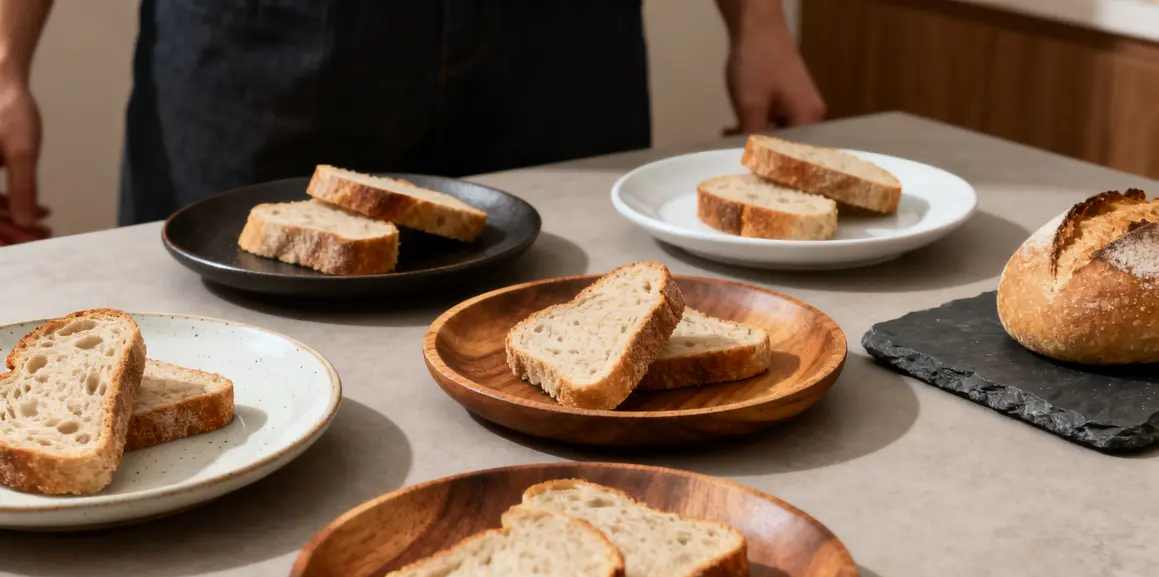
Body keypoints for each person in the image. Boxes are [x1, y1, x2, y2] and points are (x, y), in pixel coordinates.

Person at [0, 0, 824, 244]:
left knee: (573, 355)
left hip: (562, 46)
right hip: (257, 42)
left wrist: (755, 23)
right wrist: (5, 56)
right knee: (222, 365)